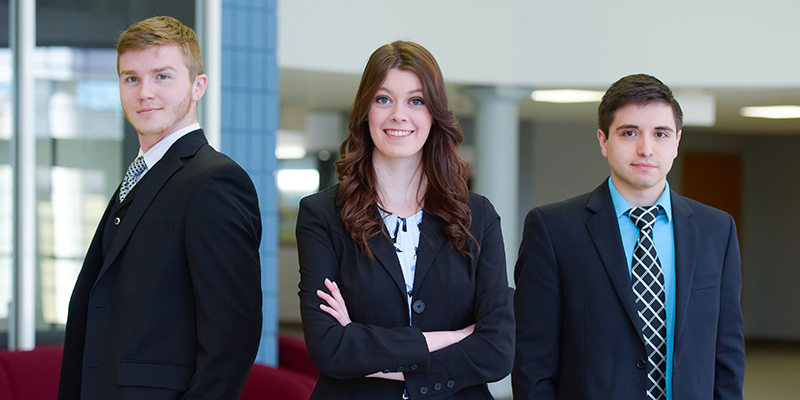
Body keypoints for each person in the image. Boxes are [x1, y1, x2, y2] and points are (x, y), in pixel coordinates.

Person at [57, 16, 263, 400]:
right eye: (131, 78)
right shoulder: (136, 177)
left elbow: (233, 337)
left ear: (198, 86)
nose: (144, 92)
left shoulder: (215, 182)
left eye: (162, 76)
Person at [296, 41, 515, 399]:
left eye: (416, 101)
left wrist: (364, 343)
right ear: (366, 110)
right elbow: (329, 347)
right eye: (384, 99)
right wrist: (451, 340)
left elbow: (497, 351)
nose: (399, 115)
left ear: (434, 113)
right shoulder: (322, 215)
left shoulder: (478, 216)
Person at [512, 74, 745, 400]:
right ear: (603, 141)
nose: (645, 148)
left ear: (676, 142)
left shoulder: (716, 230)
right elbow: (534, 360)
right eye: (629, 132)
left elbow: (728, 351)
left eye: (660, 134)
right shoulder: (553, 229)